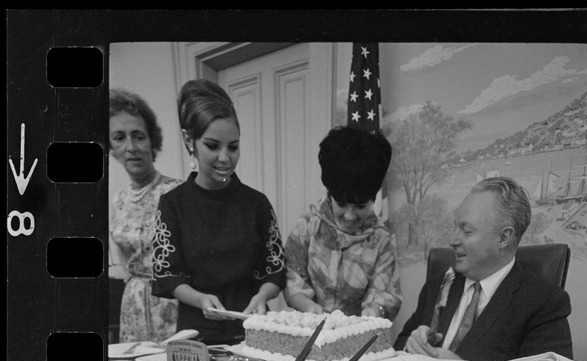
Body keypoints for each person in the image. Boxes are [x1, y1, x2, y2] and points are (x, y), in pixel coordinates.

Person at [152, 79, 285, 345]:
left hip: (253, 333)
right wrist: (200, 299)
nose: (225, 158)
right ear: (190, 141)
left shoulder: (257, 204)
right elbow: (168, 275)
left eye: (233, 147)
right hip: (196, 337)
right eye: (213, 146)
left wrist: (261, 298)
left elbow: (275, 270)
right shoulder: (172, 205)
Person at [394, 176, 573, 361]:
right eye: (455, 228)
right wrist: (411, 345)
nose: (453, 241)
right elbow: (399, 346)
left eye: (467, 231)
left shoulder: (544, 302)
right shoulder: (437, 285)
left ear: (504, 238)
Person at [284, 126, 401, 320]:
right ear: (330, 194)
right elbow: (293, 281)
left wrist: (374, 312)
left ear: (373, 199)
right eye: (341, 204)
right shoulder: (306, 228)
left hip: (359, 337)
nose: (349, 216)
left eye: (361, 206)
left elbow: (385, 294)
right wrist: (309, 307)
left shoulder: (382, 240)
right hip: (311, 331)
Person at [109, 89, 182, 343]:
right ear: (111, 147)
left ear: (152, 141)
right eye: (119, 138)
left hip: (173, 303)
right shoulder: (117, 200)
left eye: (138, 136)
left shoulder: (177, 192)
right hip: (132, 307)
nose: (131, 147)